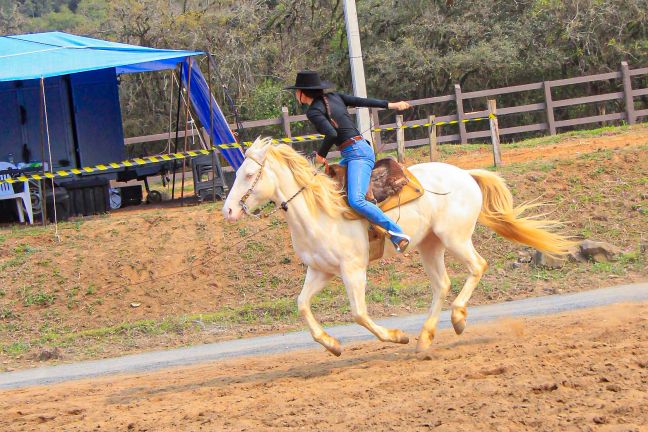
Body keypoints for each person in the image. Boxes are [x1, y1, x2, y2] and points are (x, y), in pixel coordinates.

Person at [286, 70, 412, 252]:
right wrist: (392, 104)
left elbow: (331, 133)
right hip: (353, 151)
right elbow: (363, 102)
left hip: (358, 155)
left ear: (301, 93)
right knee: (330, 186)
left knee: (356, 200)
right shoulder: (334, 97)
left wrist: (321, 155)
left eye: (296, 91)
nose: (295, 94)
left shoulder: (313, 111)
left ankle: (397, 233)